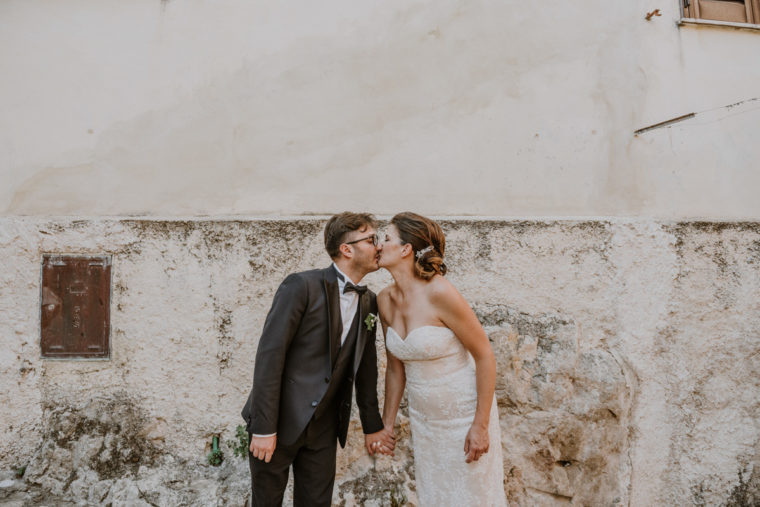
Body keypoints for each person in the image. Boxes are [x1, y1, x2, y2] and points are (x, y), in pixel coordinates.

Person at [241, 212, 395, 507]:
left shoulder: (369, 301)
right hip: (278, 422)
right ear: (347, 249)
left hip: (324, 429)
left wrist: (372, 425)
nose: (378, 246)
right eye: (371, 239)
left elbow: (366, 369)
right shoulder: (301, 286)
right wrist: (263, 428)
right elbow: (269, 357)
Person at [377, 212, 507, 506]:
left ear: (406, 250)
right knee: (435, 495)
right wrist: (387, 424)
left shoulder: (441, 292)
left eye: (386, 238)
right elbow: (395, 369)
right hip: (426, 422)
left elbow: (484, 355)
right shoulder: (384, 299)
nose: (378, 245)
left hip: (464, 419)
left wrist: (480, 425)